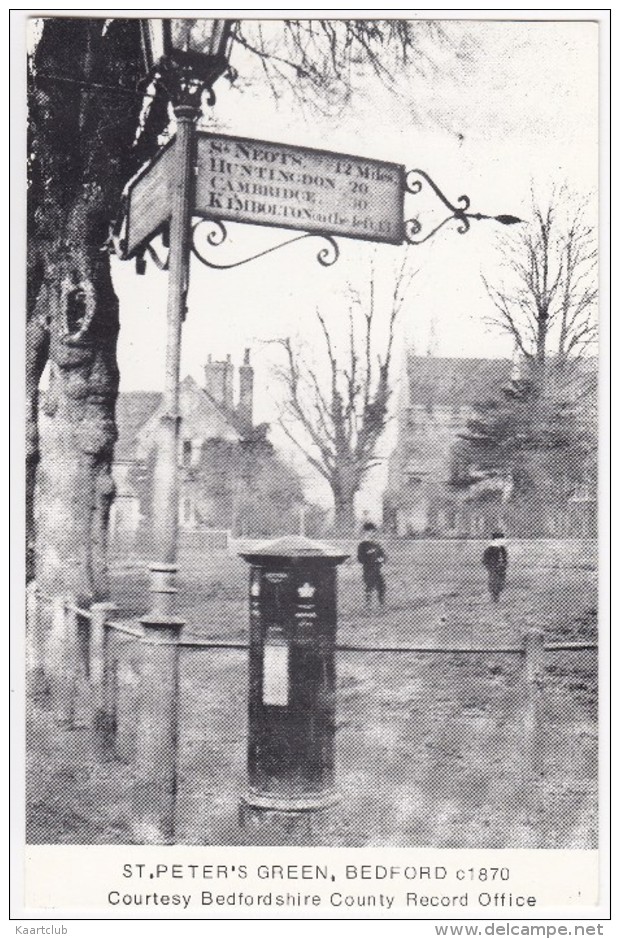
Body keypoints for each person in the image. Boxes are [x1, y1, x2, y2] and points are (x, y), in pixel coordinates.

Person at [357, 522, 387, 608]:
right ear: (365, 532)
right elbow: (360, 558)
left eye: (373, 531)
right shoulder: (362, 545)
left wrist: (382, 559)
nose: (372, 533)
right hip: (368, 569)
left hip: (377, 569)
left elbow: (383, 555)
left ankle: (381, 604)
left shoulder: (376, 544)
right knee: (369, 586)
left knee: (382, 586)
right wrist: (368, 558)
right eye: (369, 531)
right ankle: (368, 605)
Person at [482, 531, 509, 602]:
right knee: (494, 582)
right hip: (493, 569)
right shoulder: (490, 549)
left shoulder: (502, 549)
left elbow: (505, 558)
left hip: (501, 568)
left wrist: (504, 564)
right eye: (502, 539)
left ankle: (497, 596)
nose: (504, 541)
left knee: (501, 582)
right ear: (496, 539)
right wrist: (491, 567)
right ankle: (494, 597)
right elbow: (485, 560)